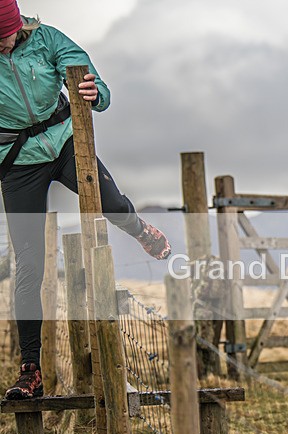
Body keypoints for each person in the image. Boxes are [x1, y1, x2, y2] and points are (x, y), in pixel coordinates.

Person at [1, 1, 171, 400]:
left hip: (65, 143)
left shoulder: (47, 40)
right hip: (17, 159)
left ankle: (140, 229)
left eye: (4, 38)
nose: (1, 47)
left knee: (112, 205)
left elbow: (98, 87)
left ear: (19, 26)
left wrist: (95, 93)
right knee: (29, 264)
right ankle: (30, 370)